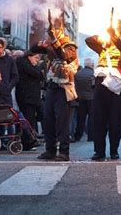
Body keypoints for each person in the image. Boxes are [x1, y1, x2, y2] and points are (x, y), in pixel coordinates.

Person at [85, 20, 121, 161]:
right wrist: (102, 36)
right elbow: (88, 40)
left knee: (116, 119)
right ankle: (99, 151)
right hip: (102, 81)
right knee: (98, 118)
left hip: (117, 83)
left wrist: (114, 37)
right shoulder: (104, 46)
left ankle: (114, 150)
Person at [37, 15, 79, 162]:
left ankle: (64, 152)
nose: (52, 31)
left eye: (55, 28)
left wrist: (54, 40)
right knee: (48, 119)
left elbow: (65, 57)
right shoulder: (49, 44)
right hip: (51, 85)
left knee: (62, 121)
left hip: (63, 87)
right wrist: (45, 41)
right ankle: (50, 150)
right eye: (51, 28)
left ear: (60, 29)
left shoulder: (69, 45)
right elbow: (33, 50)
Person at [15, 48, 44, 133]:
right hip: (27, 97)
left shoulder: (27, 64)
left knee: (32, 118)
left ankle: (32, 136)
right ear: (29, 57)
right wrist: (39, 66)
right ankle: (28, 138)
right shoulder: (23, 63)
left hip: (32, 97)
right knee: (28, 118)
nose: (37, 60)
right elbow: (35, 73)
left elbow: (40, 77)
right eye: (36, 57)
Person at [73, 58, 95, 142]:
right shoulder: (93, 73)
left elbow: (74, 85)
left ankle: (78, 136)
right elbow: (94, 85)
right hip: (91, 98)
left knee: (80, 118)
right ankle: (91, 136)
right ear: (92, 65)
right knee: (91, 118)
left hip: (80, 98)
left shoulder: (78, 74)